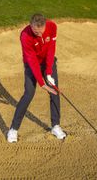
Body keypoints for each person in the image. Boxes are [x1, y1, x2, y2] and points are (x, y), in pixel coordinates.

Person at [7, 13, 66, 143]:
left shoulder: (52, 27)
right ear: (31, 25)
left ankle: (55, 126)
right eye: (35, 32)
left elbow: (51, 49)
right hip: (31, 64)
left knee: (55, 92)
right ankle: (13, 129)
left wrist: (49, 72)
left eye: (41, 32)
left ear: (45, 25)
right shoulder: (25, 35)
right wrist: (42, 82)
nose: (38, 35)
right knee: (29, 94)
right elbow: (32, 61)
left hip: (47, 62)